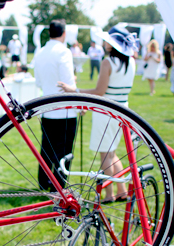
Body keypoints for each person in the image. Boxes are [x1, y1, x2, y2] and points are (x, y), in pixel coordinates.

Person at [59, 25, 138, 203]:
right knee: (112, 153)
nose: (104, 43)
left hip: (107, 110)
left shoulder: (108, 62)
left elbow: (99, 91)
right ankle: (121, 189)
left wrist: (74, 90)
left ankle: (109, 193)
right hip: (123, 109)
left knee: (105, 155)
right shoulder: (130, 61)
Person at [33, 19, 77, 191]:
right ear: (64, 34)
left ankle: (44, 182)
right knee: (63, 151)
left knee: (46, 148)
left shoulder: (40, 52)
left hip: (47, 108)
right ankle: (58, 186)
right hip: (65, 109)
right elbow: (67, 84)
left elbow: (38, 82)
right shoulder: (64, 52)